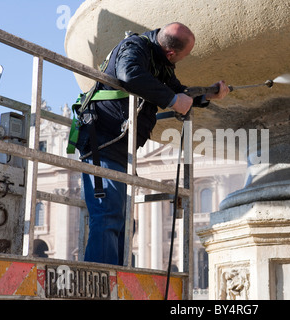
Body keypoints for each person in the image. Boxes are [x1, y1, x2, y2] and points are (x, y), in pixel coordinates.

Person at [76, 22, 230, 266]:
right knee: (107, 216)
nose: (181, 61)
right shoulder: (134, 47)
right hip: (102, 143)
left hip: (119, 147)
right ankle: (101, 284)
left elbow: (179, 92)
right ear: (170, 52)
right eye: (183, 56)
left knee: (121, 221)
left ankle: (115, 279)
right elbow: (131, 75)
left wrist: (206, 95)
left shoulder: (159, 61)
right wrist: (171, 99)